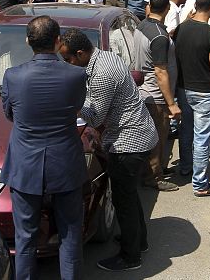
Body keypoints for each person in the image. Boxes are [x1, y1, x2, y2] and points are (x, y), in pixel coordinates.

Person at [59, 28, 157, 271]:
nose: (67, 64)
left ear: (80, 53)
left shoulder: (101, 73)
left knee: (123, 201)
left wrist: (72, 103)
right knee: (129, 196)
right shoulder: (104, 56)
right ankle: (139, 241)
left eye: (68, 59)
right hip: (136, 134)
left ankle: (130, 257)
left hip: (129, 142)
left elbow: (95, 117)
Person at [1, 16, 87, 280]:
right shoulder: (76, 75)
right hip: (65, 163)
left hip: (25, 165)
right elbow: (77, 108)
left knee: (25, 237)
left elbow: (9, 114)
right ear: (58, 40)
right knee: (70, 234)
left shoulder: (13, 76)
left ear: (28, 41)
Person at [175, 0, 210, 197]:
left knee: (186, 131)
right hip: (203, 92)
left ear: (195, 5)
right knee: (202, 138)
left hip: (183, 88)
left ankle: (185, 167)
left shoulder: (181, 29)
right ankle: (200, 184)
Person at [134, 0, 182, 192]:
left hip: (145, 90)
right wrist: (171, 104)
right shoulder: (159, 36)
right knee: (157, 137)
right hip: (155, 95)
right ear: (168, 8)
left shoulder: (142, 25)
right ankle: (154, 177)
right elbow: (160, 72)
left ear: (149, 6)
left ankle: (157, 169)